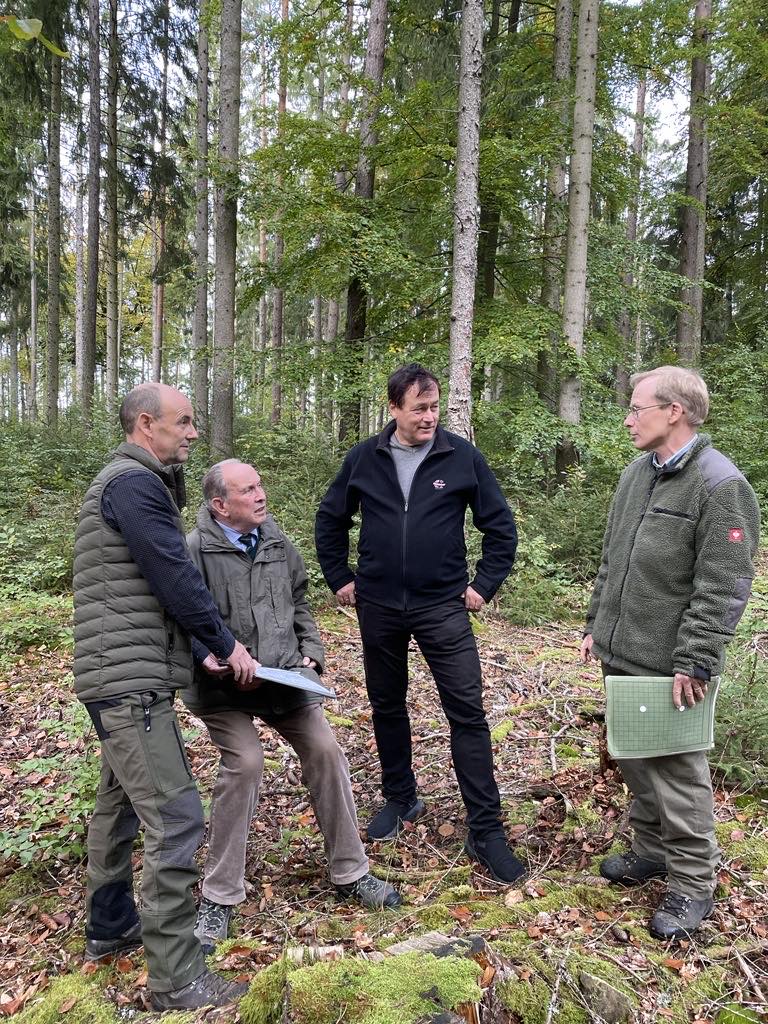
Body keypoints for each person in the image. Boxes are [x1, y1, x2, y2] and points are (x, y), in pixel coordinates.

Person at [73, 383, 258, 1011]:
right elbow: (170, 571)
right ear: (145, 424)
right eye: (183, 422)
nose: (193, 433)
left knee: (121, 805)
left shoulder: (128, 483)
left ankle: (111, 926)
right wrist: (222, 640)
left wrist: (194, 648)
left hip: (121, 672)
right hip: (128, 682)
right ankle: (176, 977)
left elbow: (142, 583)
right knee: (176, 815)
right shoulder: (133, 482)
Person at [315, 363, 525, 883]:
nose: (429, 417)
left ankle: (486, 828)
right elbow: (330, 518)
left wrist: (483, 585)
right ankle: (400, 798)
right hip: (379, 604)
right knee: (387, 703)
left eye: (434, 408)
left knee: (467, 711)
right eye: (419, 409)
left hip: (443, 606)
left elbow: (499, 526)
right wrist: (340, 576)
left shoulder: (460, 456)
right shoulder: (365, 458)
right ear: (394, 410)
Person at [181, 459, 402, 953]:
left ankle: (351, 871)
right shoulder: (193, 549)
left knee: (325, 750)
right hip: (222, 691)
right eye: (248, 490)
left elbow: (300, 600)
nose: (261, 495)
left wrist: (312, 652)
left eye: (260, 485)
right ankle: (219, 896)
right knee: (246, 762)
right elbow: (179, 616)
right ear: (220, 505)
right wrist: (205, 657)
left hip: (285, 680)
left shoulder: (276, 540)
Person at [581, 365, 760, 939]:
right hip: (621, 650)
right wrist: (595, 624)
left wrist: (696, 658)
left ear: (674, 412)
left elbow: (724, 583)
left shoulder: (719, 485)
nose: (629, 419)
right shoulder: (636, 475)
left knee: (679, 775)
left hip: (672, 665)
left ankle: (691, 885)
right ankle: (651, 852)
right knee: (635, 762)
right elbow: (612, 557)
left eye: (638, 408)